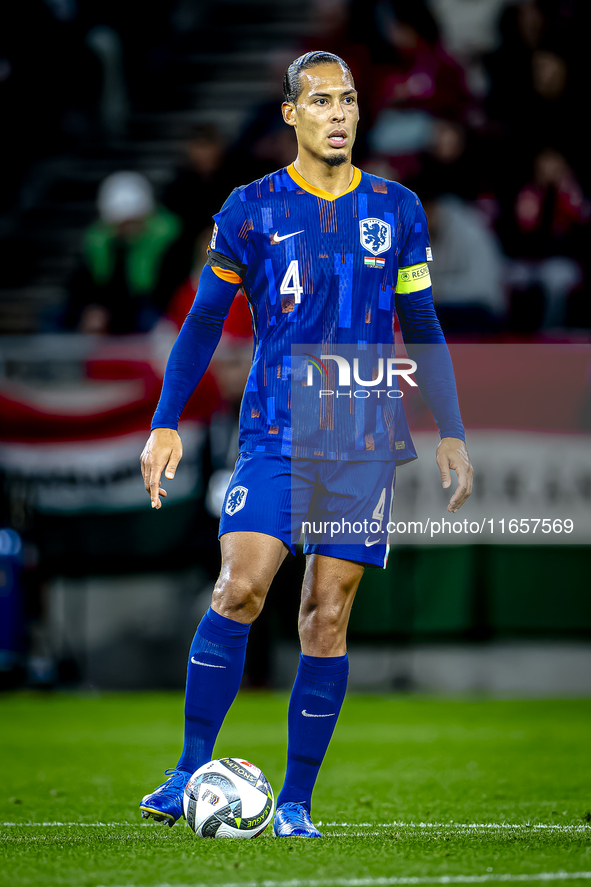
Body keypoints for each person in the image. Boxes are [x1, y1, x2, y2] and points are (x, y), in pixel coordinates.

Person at [139, 51, 473, 838]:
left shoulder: (397, 208)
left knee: (326, 615)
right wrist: (163, 420)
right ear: (290, 114)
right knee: (240, 586)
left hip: (362, 436)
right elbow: (202, 322)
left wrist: (451, 430)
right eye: (320, 100)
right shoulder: (248, 209)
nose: (338, 113)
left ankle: (294, 803)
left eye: (349, 99)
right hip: (276, 430)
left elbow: (420, 324)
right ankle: (187, 768)